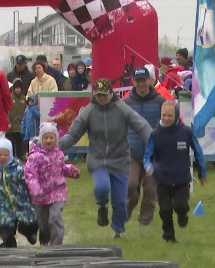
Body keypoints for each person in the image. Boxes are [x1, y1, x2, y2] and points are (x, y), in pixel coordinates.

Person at [58, 78, 152, 238]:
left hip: (120, 159)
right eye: (98, 95)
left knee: (120, 200)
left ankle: (118, 230)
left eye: (104, 95)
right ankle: (102, 206)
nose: (101, 98)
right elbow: (73, 134)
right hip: (98, 159)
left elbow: (141, 125)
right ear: (94, 94)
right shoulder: (88, 112)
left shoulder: (122, 108)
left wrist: (155, 142)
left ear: (111, 93)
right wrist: (54, 146)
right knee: (101, 188)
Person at [144, 101, 207, 243]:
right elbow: (147, 156)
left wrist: (202, 172)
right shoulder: (155, 134)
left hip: (181, 179)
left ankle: (183, 215)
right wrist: (148, 166)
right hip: (162, 180)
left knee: (180, 206)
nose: (166, 118)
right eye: (163, 115)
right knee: (164, 210)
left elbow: (198, 152)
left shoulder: (186, 132)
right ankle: (169, 237)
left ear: (177, 115)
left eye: (169, 116)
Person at [0, 139, 39, 248]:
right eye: (0, 154)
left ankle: (30, 233)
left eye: (6, 154)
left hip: (23, 204)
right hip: (4, 207)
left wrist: (37, 194)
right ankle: (9, 242)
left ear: (10, 155)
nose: (3, 157)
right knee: (4, 226)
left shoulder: (19, 170)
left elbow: (31, 182)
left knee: (29, 223)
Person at [25, 123, 80, 246]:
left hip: (57, 193)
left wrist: (71, 171)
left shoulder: (59, 154)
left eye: (51, 137)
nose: (49, 140)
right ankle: (44, 241)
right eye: (45, 138)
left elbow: (61, 168)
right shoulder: (35, 156)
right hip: (40, 196)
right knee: (43, 223)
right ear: (41, 139)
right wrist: (35, 188)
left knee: (55, 217)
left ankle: (56, 246)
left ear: (56, 139)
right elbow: (30, 173)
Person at [123, 67, 165, 226]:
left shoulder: (160, 102)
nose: (141, 84)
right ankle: (129, 206)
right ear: (133, 82)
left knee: (150, 188)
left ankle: (145, 221)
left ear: (150, 80)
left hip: (153, 155)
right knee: (130, 185)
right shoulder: (126, 103)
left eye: (143, 80)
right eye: (137, 81)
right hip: (132, 154)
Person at [7, 78, 26, 160]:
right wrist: (8, 122)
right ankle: (12, 156)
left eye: (19, 88)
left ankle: (20, 155)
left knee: (20, 142)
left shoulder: (24, 99)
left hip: (21, 125)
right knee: (11, 142)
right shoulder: (9, 98)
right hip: (12, 125)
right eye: (16, 88)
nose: (18, 90)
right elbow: (7, 111)